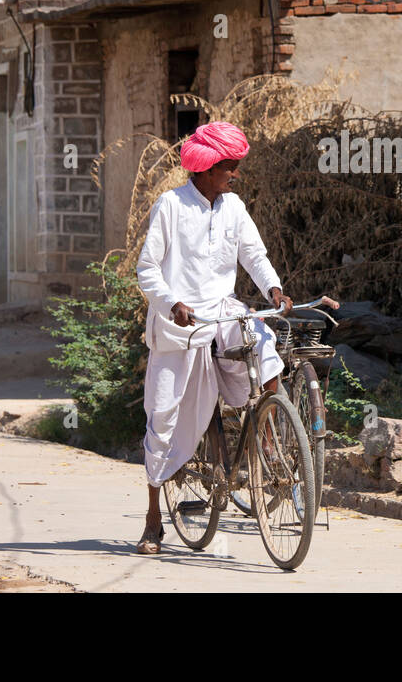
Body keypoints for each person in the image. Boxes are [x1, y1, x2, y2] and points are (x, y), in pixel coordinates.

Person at [133, 121, 292, 554]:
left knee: (266, 349)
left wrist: (273, 289)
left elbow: (253, 255)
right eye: (228, 168)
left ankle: (267, 443)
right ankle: (152, 518)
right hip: (179, 326)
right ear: (204, 169)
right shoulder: (170, 205)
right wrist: (171, 303)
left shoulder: (234, 207)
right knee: (163, 419)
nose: (234, 175)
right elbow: (147, 269)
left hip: (222, 312)